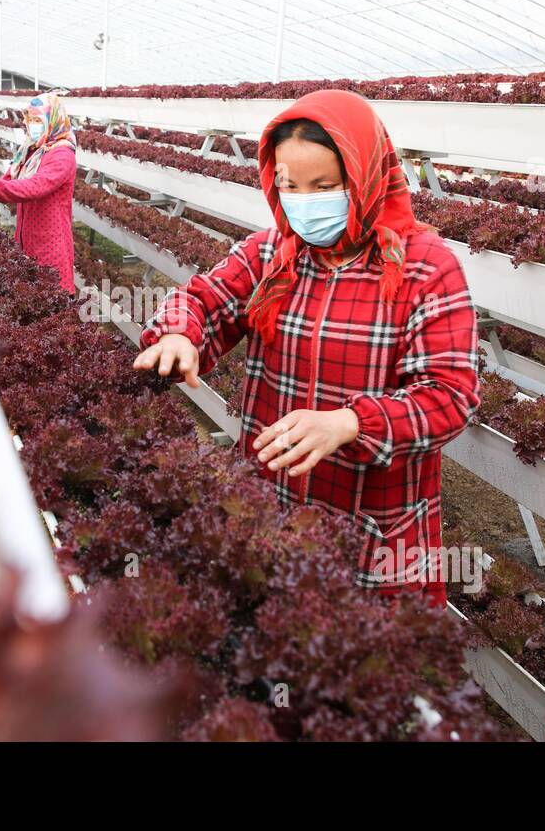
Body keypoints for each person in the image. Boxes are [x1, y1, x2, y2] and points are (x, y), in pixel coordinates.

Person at [133, 90, 480, 608]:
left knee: (364, 661)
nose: (303, 201)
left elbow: (450, 397)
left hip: (370, 516)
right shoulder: (274, 253)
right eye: (290, 185)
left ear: (364, 176)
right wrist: (180, 333)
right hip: (269, 498)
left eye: (324, 186)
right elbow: (204, 299)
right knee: (269, 635)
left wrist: (349, 423)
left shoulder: (424, 267)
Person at [0, 92, 77, 295]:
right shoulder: (30, 151)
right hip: (26, 239)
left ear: (54, 120)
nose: (31, 124)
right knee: (31, 299)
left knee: (53, 299)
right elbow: (9, 185)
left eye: (37, 120)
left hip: (51, 244)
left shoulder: (62, 155)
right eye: (29, 119)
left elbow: (35, 186)